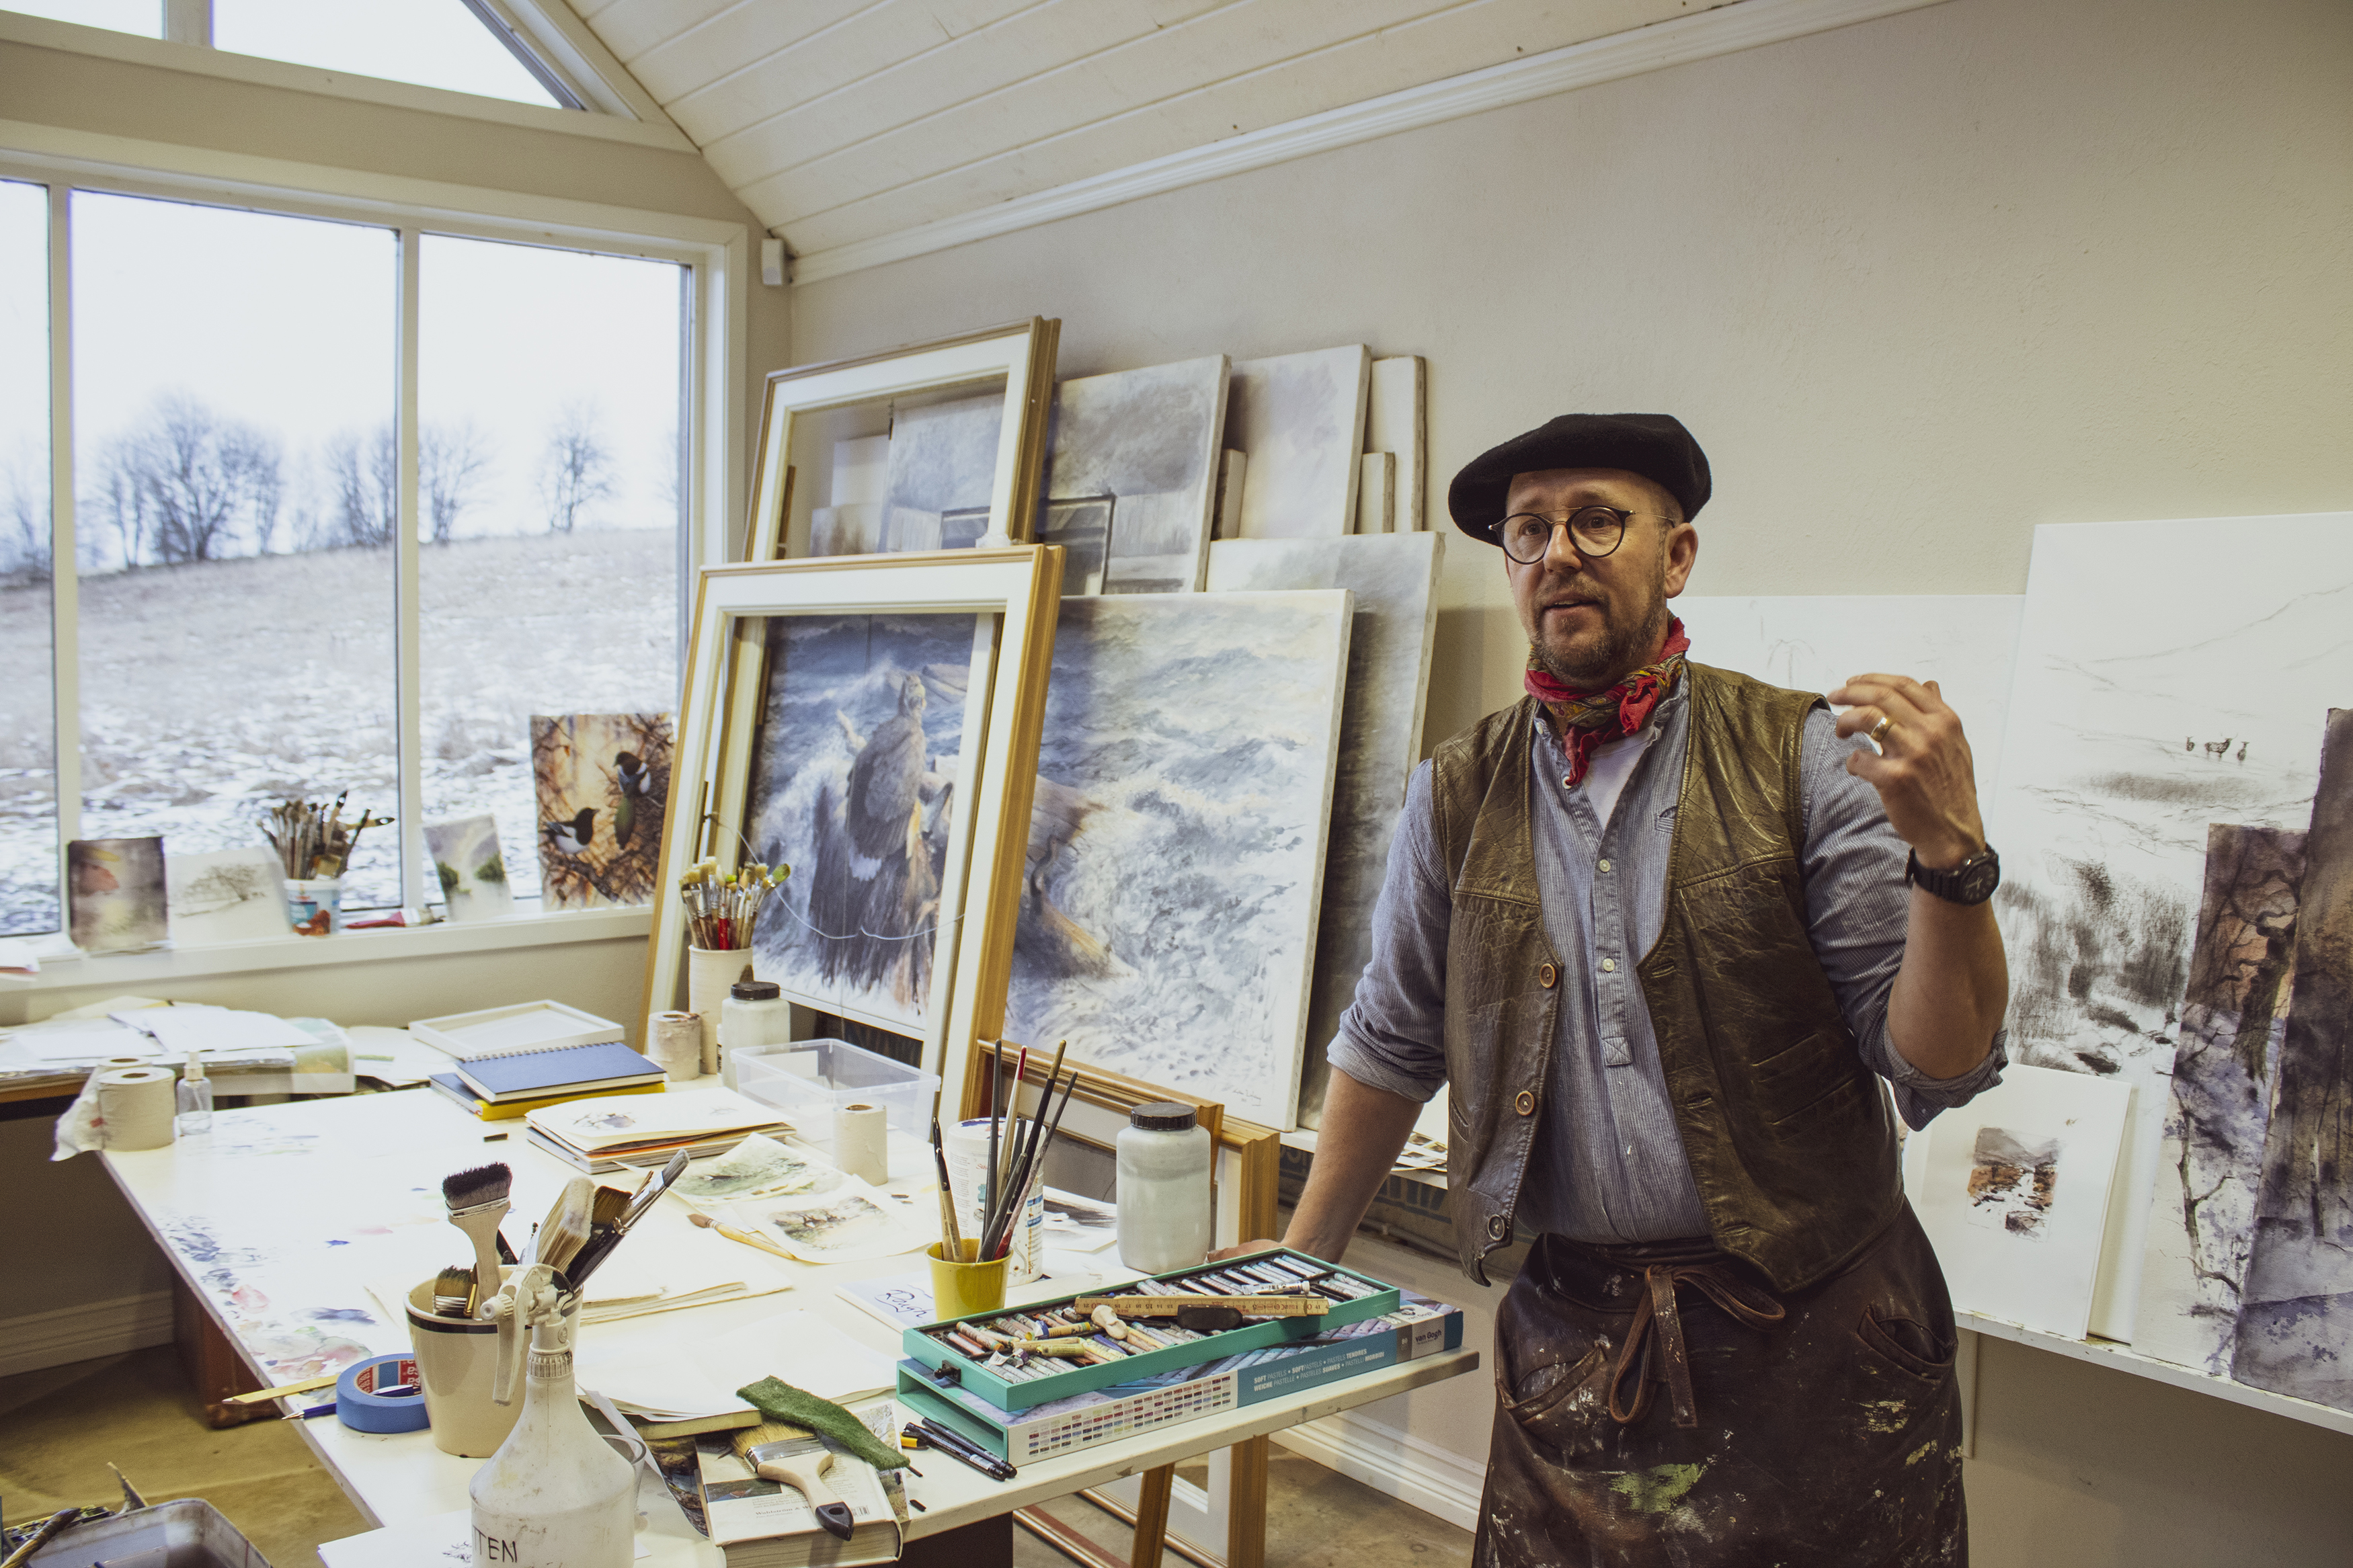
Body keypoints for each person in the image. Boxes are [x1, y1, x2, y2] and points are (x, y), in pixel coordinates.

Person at [1238, 414, 2008, 1565]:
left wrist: (1951, 866)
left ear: (1677, 553)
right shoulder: (1454, 794)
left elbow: (1937, 1068)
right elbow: (1390, 1043)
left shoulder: (1805, 759)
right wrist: (1299, 1276)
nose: (1559, 551)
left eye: (1598, 518)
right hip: (1576, 1353)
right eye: (1529, 529)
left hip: (1823, 1347)